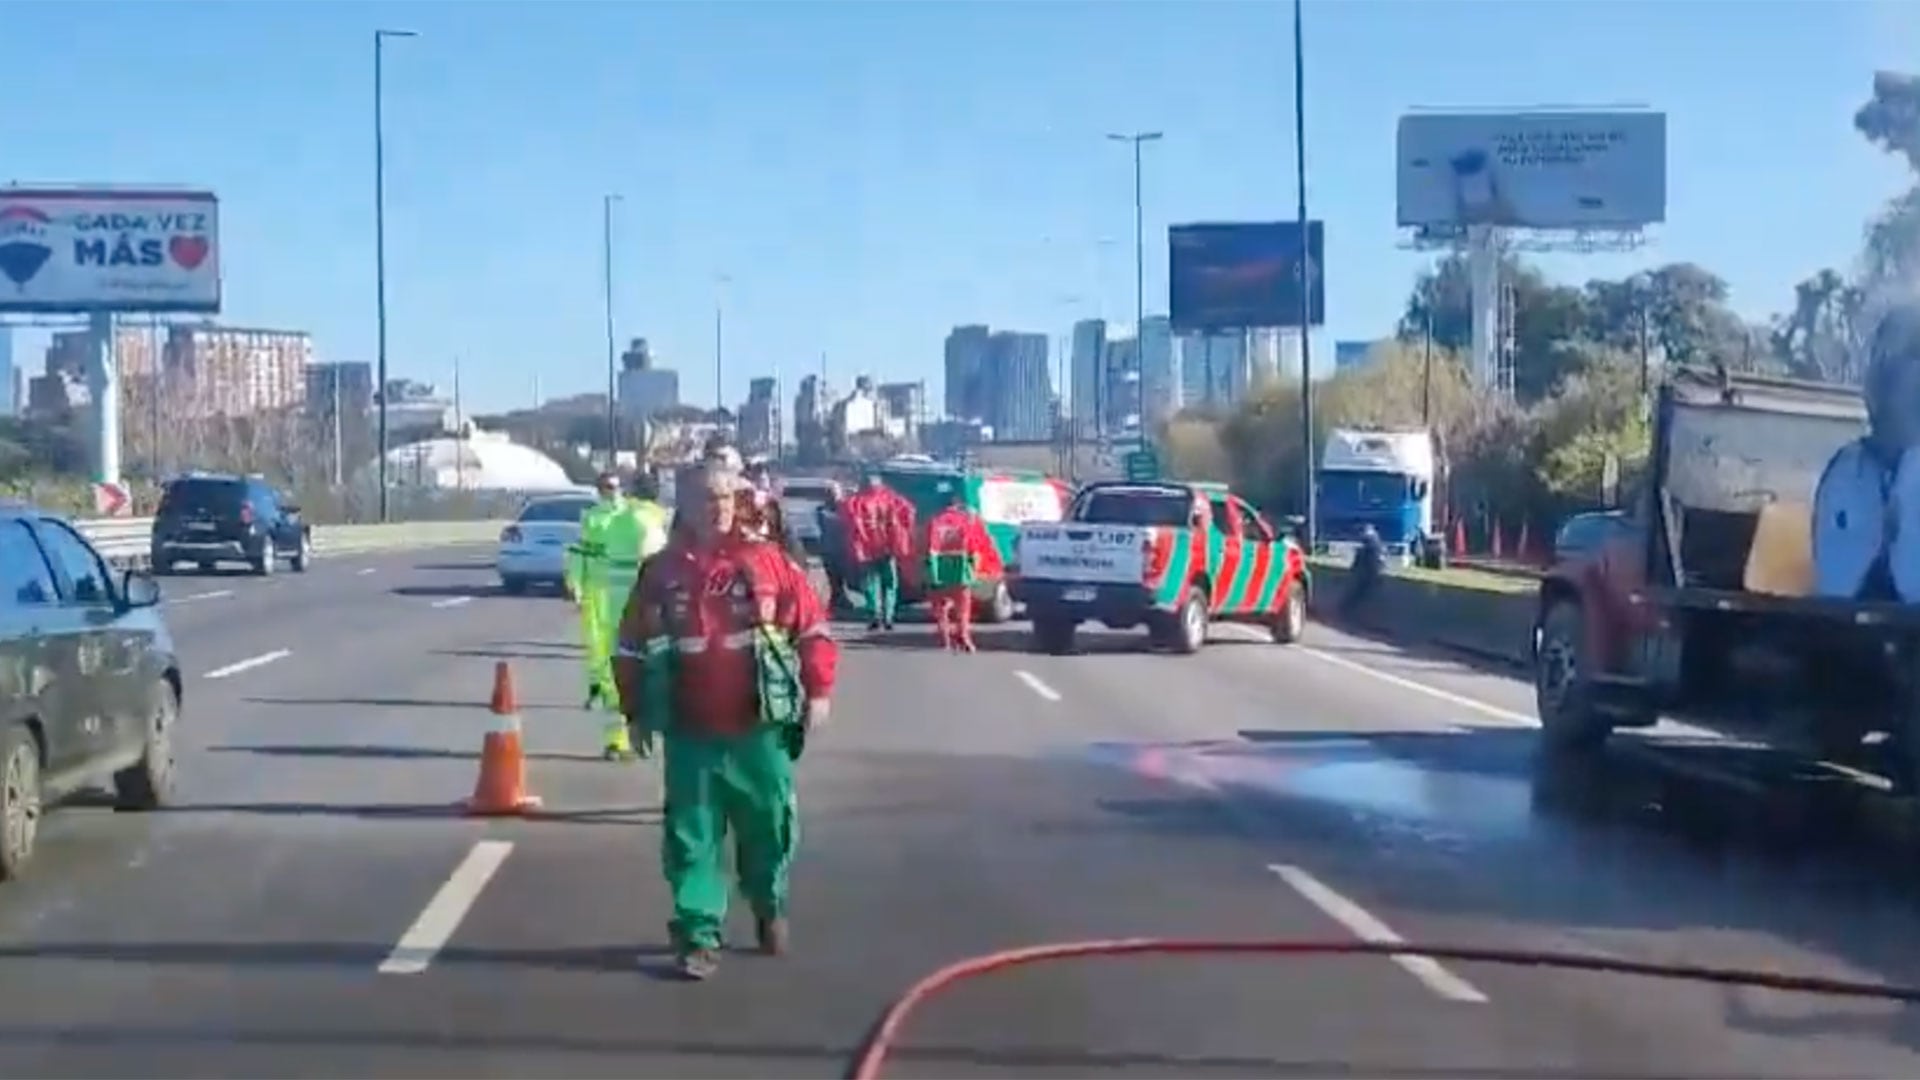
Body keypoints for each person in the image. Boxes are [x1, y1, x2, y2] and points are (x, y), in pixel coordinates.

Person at [613, 465, 838, 981]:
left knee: (770, 829)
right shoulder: (661, 572)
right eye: (704, 498)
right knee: (691, 836)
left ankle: (768, 902)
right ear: (684, 505)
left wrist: (819, 691)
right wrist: (634, 710)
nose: (717, 507)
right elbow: (630, 645)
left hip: (760, 727)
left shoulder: (769, 562)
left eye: (724, 497)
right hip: (689, 730)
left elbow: (813, 629)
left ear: (737, 501)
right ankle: (699, 934)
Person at [566, 471, 658, 760]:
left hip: (635, 602)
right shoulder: (593, 518)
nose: (612, 492)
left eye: (616, 487)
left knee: (641, 669)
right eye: (607, 487)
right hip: (602, 599)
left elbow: (657, 555)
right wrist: (576, 584)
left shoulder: (642, 518)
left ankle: (638, 727)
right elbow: (580, 554)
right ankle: (616, 738)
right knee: (609, 671)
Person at [922, 486, 996, 652]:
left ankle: (945, 639)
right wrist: (974, 569)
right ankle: (964, 636)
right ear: (956, 503)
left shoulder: (934, 521)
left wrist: (928, 573)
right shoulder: (964, 520)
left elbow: (927, 548)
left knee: (940, 607)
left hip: (939, 571)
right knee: (963, 608)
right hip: (960, 570)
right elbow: (972, 547)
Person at [841, 469, 915, 631]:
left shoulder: (856, 502)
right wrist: (902, 536)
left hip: (867, 550)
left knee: (870, 584)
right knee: (890, 584)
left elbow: (848, 521)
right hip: (888, 547)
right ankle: (888, 616)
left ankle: (874, 614)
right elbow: (909, 512)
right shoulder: (892, 499)